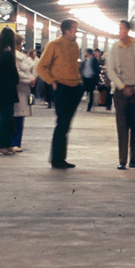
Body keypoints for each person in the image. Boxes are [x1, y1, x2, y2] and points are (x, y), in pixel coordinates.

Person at [37, 19, 83, 169]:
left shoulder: (75, 45)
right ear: (67, 31)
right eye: (75, 30)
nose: (77, 32)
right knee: (62, 124)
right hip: (61, 87)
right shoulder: (54, 45)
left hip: (75, 87)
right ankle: (56, 159)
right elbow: (41, 67)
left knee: (66, 124)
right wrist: (52, 82)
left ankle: (60, 157)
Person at [106, 20, 135, 170]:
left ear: (127, 30)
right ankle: (122, 160)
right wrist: (122, 86)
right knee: (122, 126)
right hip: (121, 91)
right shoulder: (115, 47)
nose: (119, 31)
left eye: (121, 28)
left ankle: (133, 159)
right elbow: (110, 70)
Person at [0, 27, 20, 155]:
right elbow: (13, 73)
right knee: (6, 118)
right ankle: (0, 146)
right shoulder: (7, 53)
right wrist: (16, 80)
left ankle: (7, 146)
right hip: (7, 90)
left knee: (5, 117)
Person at [11, 34, 37, 152]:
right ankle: (14, 142)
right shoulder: (14, 57)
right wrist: (29, 80)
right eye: (19, 43)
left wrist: (31, 79)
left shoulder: (21, 57)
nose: (21, 46)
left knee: (20, 117)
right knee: (17, 117)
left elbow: (26, 71)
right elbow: (17, 73)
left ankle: (16, 142)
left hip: (24, 89)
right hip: (18, 89)